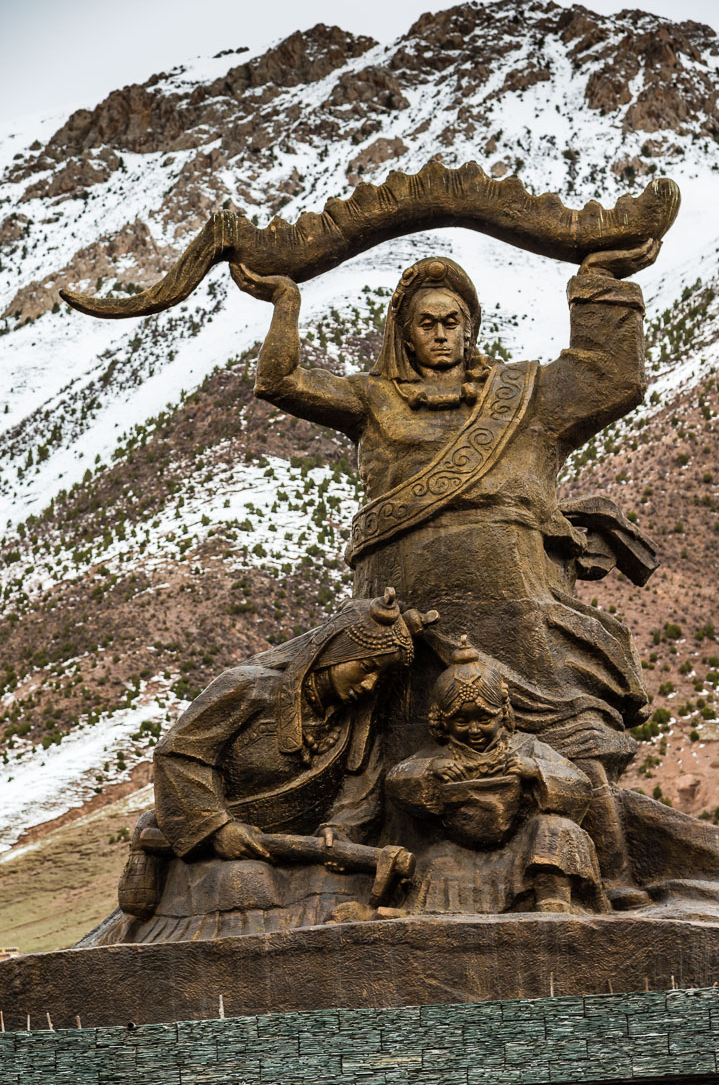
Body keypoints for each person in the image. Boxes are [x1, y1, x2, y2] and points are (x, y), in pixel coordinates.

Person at [233, 243, 658, 906]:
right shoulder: (375, 401)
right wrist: (286, 303)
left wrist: (599, 283)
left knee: (566, 747)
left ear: (471, 327)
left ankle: (607, 875)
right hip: (404, 616)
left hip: (519, 609)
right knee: (393, 765)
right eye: (428, 322)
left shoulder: (521, 397)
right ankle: (389, 883)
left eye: (454, 320)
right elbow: (281, 381)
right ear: (404, 333)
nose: (442, 333)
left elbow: (612, 376)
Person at [94, 590, 437, 944]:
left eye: (379, 677)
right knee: (245, 881)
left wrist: (339, 829)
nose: (369, 685)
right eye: (366, 667)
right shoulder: (249, 688)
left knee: (342, 890)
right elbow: (181, 756)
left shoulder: (357, 722)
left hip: (292, 848)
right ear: (333, 650)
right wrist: (217, 828)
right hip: (213, 845)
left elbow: (359, 789)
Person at [385, 638, 605, 915]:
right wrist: (432, 772)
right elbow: (397, 780)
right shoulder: (439, 756)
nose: (474, 730)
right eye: (462, 722)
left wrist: (535, 770)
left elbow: (581, 786)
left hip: (521, 847)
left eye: (485, 719)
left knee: (555, 830)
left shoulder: (527, 747)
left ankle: (552, 899)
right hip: (462, 851)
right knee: (432, 863)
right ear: (443, 721)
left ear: (502, 713)